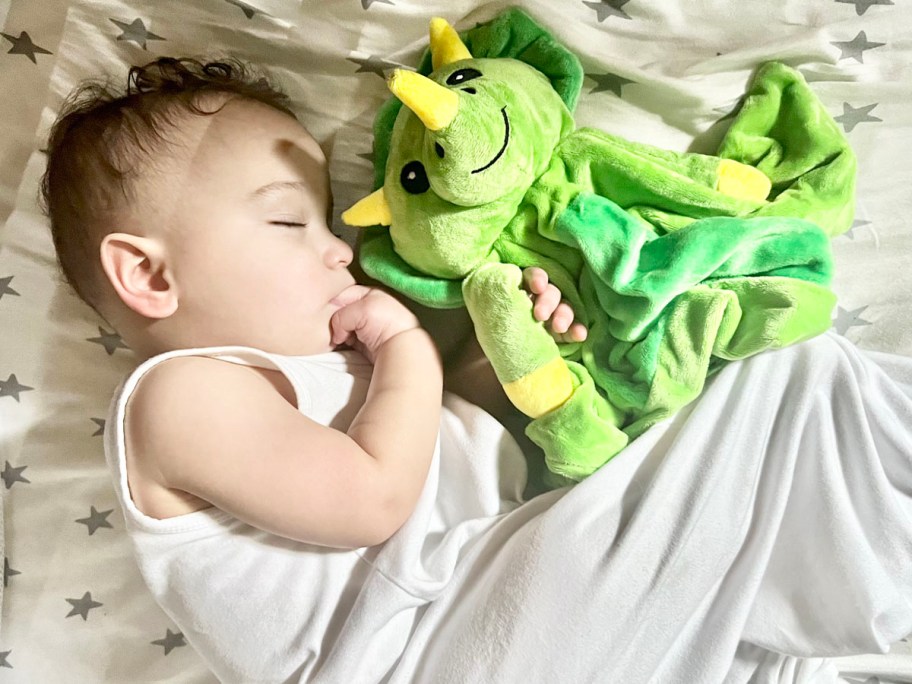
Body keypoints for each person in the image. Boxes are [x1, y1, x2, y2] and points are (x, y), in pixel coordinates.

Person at [42, 56, 912, 684]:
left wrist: (511, 349)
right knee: (778, 392)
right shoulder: (178, 396)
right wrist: (409, 350)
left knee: (783, 432)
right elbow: (370, 502)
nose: (339, 251)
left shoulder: (340, 376)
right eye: (286, 226)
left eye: (328, 223)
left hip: (505, 619)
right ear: (149, 276)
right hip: (423, 659)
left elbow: (466, 466)